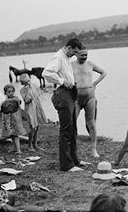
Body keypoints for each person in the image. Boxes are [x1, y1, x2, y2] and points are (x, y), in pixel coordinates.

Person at [42, 38, 86, 172]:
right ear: (69, 48)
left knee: (73, 129)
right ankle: (66, 165)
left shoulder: (65, 58)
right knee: (66, 130)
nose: (75, 55)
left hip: (70, 93)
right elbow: (46, 73)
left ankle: (74, 160)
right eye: (75, 52)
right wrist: (62, 81)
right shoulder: (58, 57)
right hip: (63, 94)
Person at [72, 46, 107, 158]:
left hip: (90, 97)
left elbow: (104, 72)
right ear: (76, 54)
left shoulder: (90, 64)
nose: (84, 57)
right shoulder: (71, 65)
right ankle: (73, 148)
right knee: (72, 122)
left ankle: (94, 149)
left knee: (91, 123)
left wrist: (95, 83)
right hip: (76, 98)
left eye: (86, 55)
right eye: (82, 55)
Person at [19, 73, 47, 152]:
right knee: (33, 127)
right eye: (24, 82)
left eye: (28, 81)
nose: (27, 83)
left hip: (37, 108)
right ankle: (29, 145)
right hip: (30, 110)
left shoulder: (34, 85)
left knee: (37, 126)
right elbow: (27, 100)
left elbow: (38, 94)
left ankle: (35, 144)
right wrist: (28, 90)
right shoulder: (22, 90)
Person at [0, 84, 26, 154]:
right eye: (9, 92)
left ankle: (19, 150)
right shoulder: (5, 100)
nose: (11, 93)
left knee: (15, 135)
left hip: (15, 120)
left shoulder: (15, 98)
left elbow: (19, 102)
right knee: (12, 135)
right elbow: (3, 108)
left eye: (12, 91)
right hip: (8, 120)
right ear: (5, 93)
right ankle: (15, 148)